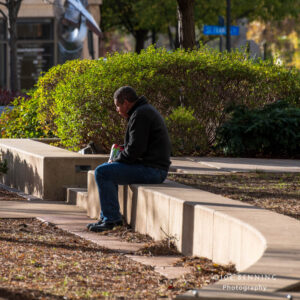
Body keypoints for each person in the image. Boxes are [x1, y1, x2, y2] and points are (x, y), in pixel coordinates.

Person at [87, 86, 171, 232]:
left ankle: (112, 220)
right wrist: (119, 154)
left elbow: (135, 151)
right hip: (152, 167)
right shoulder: (142, 111)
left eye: (118, 106)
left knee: (103, 172)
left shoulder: (141, 115)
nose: (117, 110)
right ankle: (106, 217)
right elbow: (136, 146)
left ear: (126, 102)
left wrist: (117, 159)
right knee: (105, 170)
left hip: (153, 170)